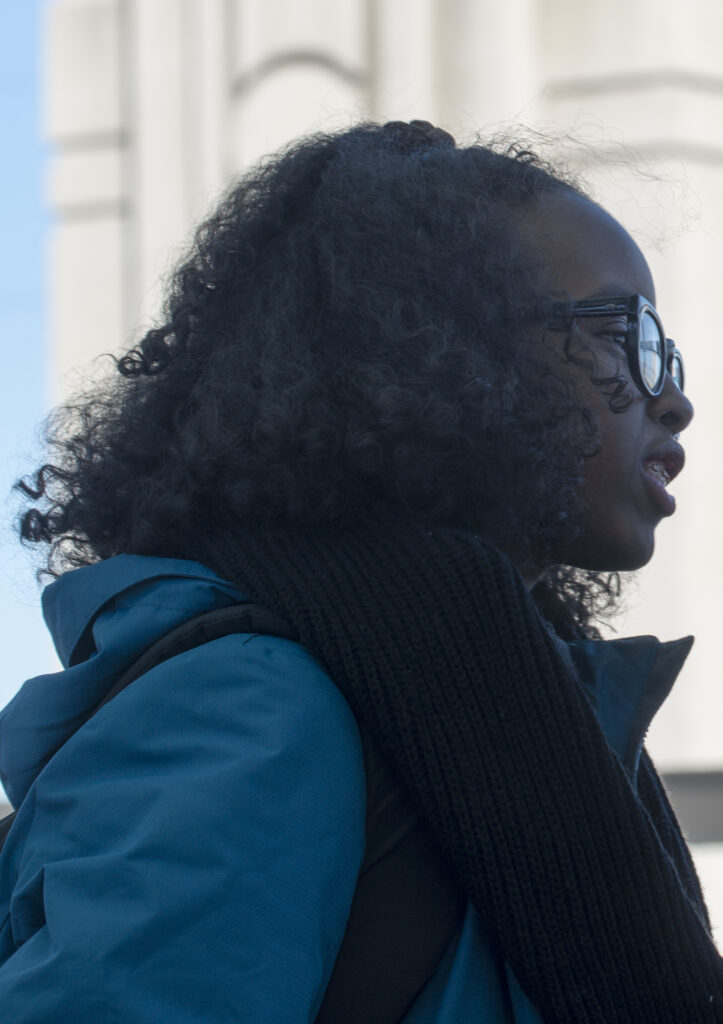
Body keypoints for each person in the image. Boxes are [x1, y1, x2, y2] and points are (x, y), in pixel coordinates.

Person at [0, 119, 718, 1022]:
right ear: (439, 348)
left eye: (666, 351)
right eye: (627, 334)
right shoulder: (256, 703)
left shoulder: (519, 704)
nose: (673, 399)